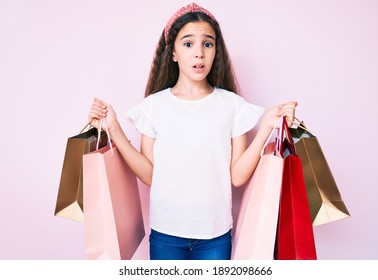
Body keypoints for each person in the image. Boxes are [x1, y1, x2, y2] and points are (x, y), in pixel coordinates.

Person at [88, 3, 297, 260]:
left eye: (207, 44)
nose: (199, 53)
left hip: (215, 236)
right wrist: (115, 130)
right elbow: (149, 174)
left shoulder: (232, 106)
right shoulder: (154, 106)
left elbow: (238, 176)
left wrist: (266, 126)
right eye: (188, 44)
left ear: (215, 51)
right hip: (165, 234)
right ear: (173, 53)